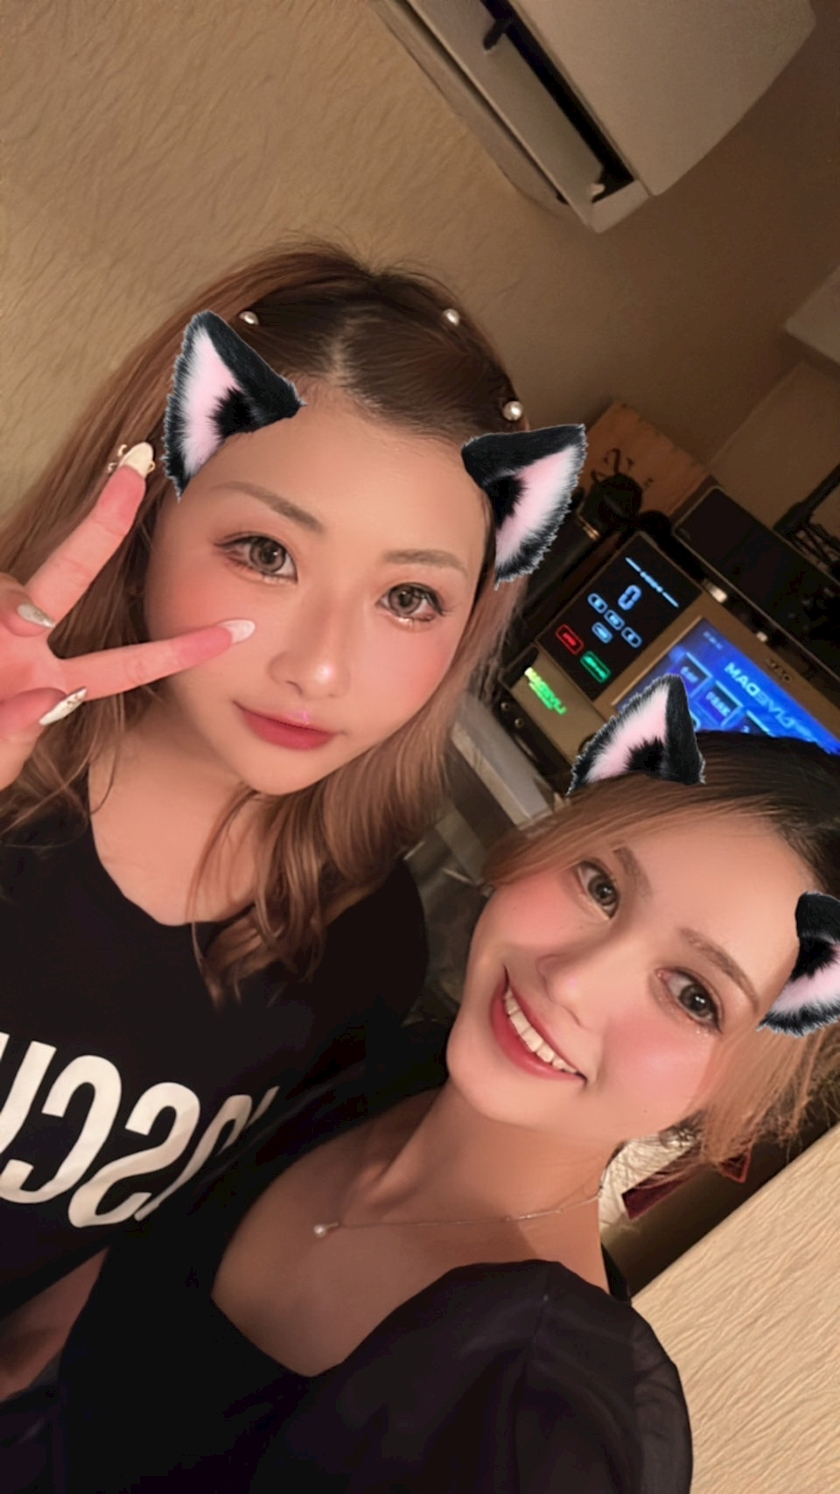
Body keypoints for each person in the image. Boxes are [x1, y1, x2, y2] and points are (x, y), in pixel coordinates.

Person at [0, 242, 587, 1389]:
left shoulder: (365, 947)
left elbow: (94, 1281)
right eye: (267, 553)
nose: (321, 668)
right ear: (150, 518)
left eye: (408, 597)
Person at [44, 678, 840, 1491]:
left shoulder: (531, 1417)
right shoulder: (380, 1056)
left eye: (694, 995)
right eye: (601, 885)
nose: (574, 982)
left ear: (747, 1100)